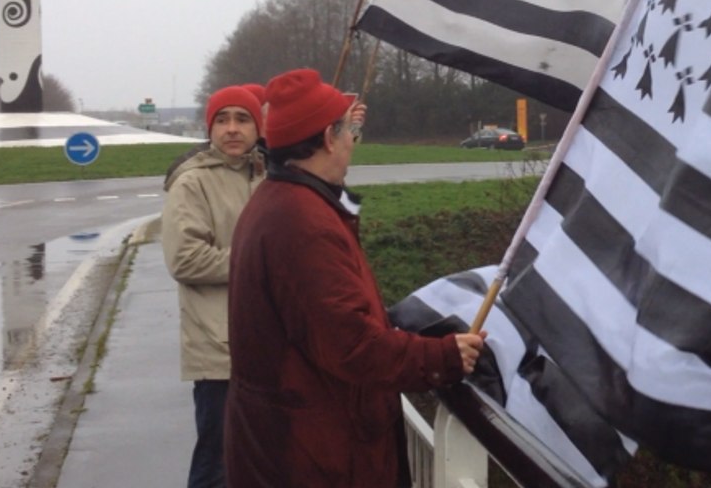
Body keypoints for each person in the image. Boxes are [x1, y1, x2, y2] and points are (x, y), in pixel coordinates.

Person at [225, 68, 485, 488]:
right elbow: (353, 346)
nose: (352, 143)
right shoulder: (301, 223)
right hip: (314, 456)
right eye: (351, 133)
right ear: (329, 138)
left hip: (286, 443)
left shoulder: (280, 200)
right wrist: (443, 357)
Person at [162, 84, 264, 488]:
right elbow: (185, 258)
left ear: (259, 127)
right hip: (218, 347)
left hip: (268, 345)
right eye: (222, 120)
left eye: (243, 119)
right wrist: (257, 265)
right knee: (218, 461)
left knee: (261, 459)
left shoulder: (266, 175)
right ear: (210, 128)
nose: (232, 129)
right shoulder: (192, 183)